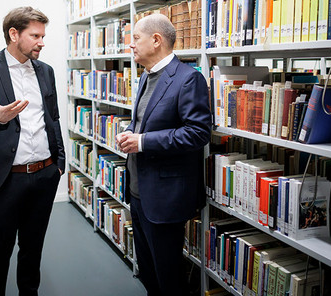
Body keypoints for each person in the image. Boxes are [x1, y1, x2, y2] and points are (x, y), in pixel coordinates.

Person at [0, 7, 64, 296]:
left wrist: (59, 163)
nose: (42, 42)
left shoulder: (46, 71)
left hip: (44, 175)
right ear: (14, 34)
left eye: (43, 36)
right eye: (35, 35)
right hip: (3, 179)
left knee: (32, 252)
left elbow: (52, 118)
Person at [116, 13, 211, 296]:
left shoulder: (187, 79)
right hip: (137, 192)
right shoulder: (146, 76)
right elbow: (143, 119)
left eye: (135, 38)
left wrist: (143, 141)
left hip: (165, 196)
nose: (130, 45)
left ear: (156, 40)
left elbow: (197, 133)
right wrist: (130, 131)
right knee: (147, 271)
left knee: (168, 276)